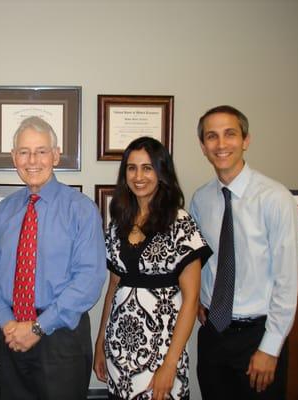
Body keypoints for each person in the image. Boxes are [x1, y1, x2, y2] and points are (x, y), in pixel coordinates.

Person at [0, 116, 107, 400]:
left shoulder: (81, 210)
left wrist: (38, 327)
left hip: (61, 338)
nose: (32, 160)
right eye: (24, 152)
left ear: (55, 155)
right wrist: (6, 323)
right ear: (14, 158)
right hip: (11, 335)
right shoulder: (3, 212)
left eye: (41, 151)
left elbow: (89, 279)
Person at [190, 105, 298, 399]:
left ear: (246, 140)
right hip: (213, 336)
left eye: (230, 134)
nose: (221, 144)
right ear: (203, 146)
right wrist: (202, 298)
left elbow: (287, 281)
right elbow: (201, 259)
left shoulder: (275, 198)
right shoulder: (201, 200)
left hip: (258, 335)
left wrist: (270, 347)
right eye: (211, 137)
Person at [93, 137, 212, 400]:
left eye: (147, 168)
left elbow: (191, 299)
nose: (139, 176)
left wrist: (170, 364)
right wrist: (100, 342)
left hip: (161, 354)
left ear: (161, 172)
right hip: (120, 352)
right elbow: (114, 286)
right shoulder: (118, 223)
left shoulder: (180, 222)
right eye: (132, 168)